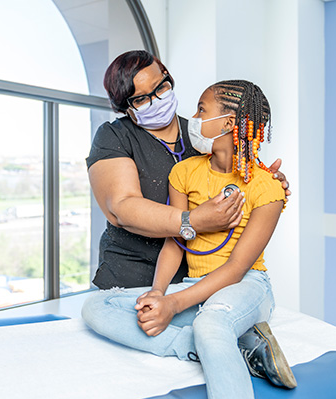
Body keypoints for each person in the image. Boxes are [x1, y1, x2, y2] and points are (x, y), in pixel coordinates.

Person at [83, 79, 297, 399]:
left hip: (247, 284)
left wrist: (174, 303)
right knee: (98, 307)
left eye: (201, 110)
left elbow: (238, 267)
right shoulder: (184, 172)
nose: (193, 119)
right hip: (196, 283)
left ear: (227, 123)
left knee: (210, 323)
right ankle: (194, 347)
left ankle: (212, 337)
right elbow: (176, 241)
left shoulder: (268, 187)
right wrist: (158, 293)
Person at [86, 50, 290, 290]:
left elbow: (238, 180)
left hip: (197, 279)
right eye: (140, 99)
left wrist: (269, 180)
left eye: (160, 87)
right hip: (129, 276)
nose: (156, 100)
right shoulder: (114, 136)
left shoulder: (203, 133)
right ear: (125, 107)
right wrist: (192, 221)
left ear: (167, 77)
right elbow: (121, 207)